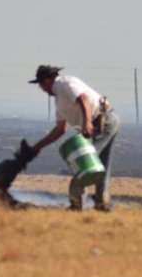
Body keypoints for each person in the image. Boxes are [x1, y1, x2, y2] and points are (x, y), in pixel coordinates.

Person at [29, 65, 120, 211]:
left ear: (46, 80)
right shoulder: (59, 101)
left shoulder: (65, 83)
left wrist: (88, 122)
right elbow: (60, 129)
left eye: (41, 85)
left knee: (85, 162)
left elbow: (83, 99)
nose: (42, 89)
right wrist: (36, 147)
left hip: (104, 121)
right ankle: (102, 204)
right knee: (100, 164)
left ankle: (76, 204)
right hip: (101, 123)